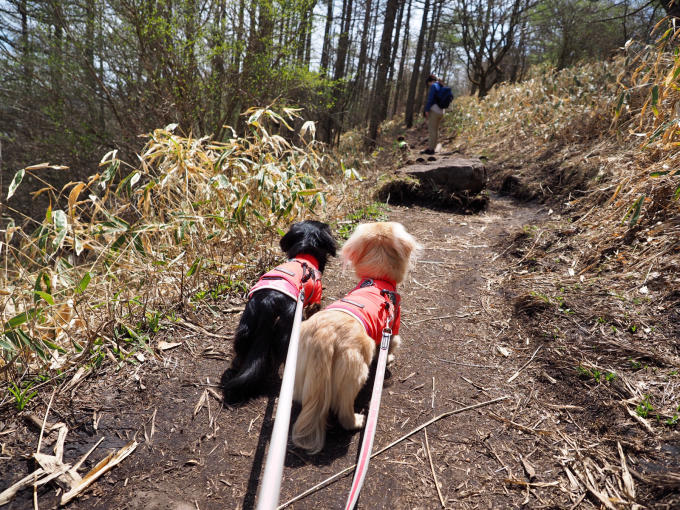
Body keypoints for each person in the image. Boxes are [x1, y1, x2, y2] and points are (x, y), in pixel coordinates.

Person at [422, 74, 444, 155]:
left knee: (432, 130)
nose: (429, 85)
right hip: (441, 111)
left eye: (428, 84)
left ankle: (431, 149)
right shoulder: (441, 86)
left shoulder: (433, 86)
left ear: (430, 81)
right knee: (436, 130)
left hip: (434, 110)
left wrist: (426, 110)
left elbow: (430, 99)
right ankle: (433, 147)